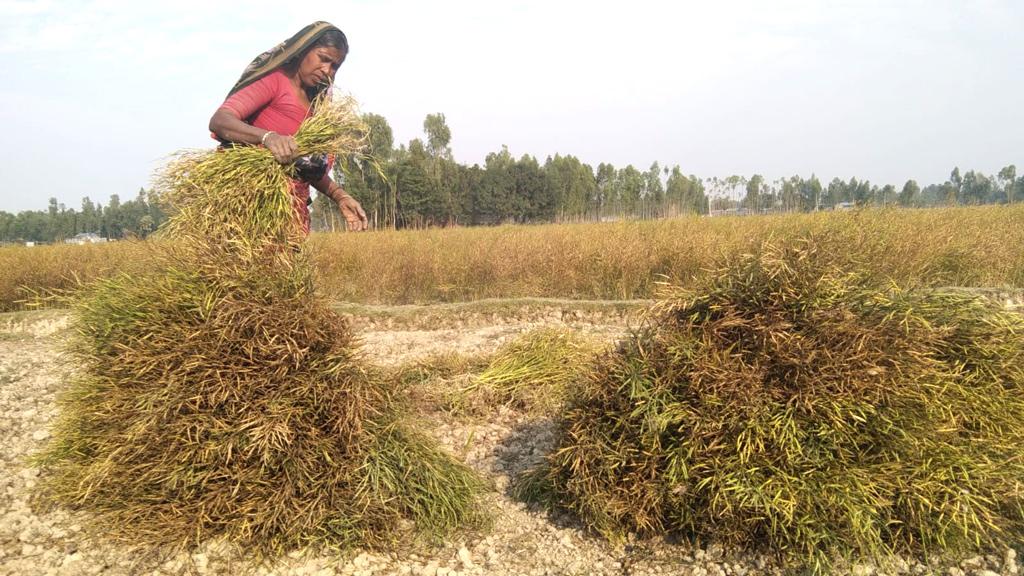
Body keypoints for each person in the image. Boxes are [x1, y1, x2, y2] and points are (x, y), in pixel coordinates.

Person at [209, 21, 368, 233]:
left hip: (290, 216)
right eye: (323, 59)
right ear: (303, 50)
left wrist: (340, 196)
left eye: (335, 66)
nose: (327, 70)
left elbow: (303, 166)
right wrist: (267, 137)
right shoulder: (276, 80)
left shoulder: (316, 105)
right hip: (251, 208)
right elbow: (220, 120)